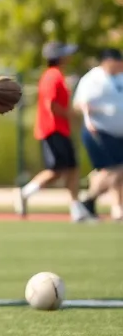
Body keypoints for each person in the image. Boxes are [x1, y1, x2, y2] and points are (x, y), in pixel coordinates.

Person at [15, 42, 86, 220]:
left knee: (72, 168)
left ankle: (76, 208)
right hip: (52, 129)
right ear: (59, 57)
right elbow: (52, 105)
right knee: (56, 170)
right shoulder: (52, 76)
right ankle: (25, 193)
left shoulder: (58, 75)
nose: (69, 57)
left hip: (61, 129)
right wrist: (71, 114)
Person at [72, 47, 123, 221]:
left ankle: (111, 206)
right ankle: (87, 201)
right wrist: (89, 118)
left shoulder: (120, 77)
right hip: (99, 131)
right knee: (114, 169)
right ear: (109, 61)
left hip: (118, 134)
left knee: (114, 172)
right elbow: (80, 104)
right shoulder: (93, 78)